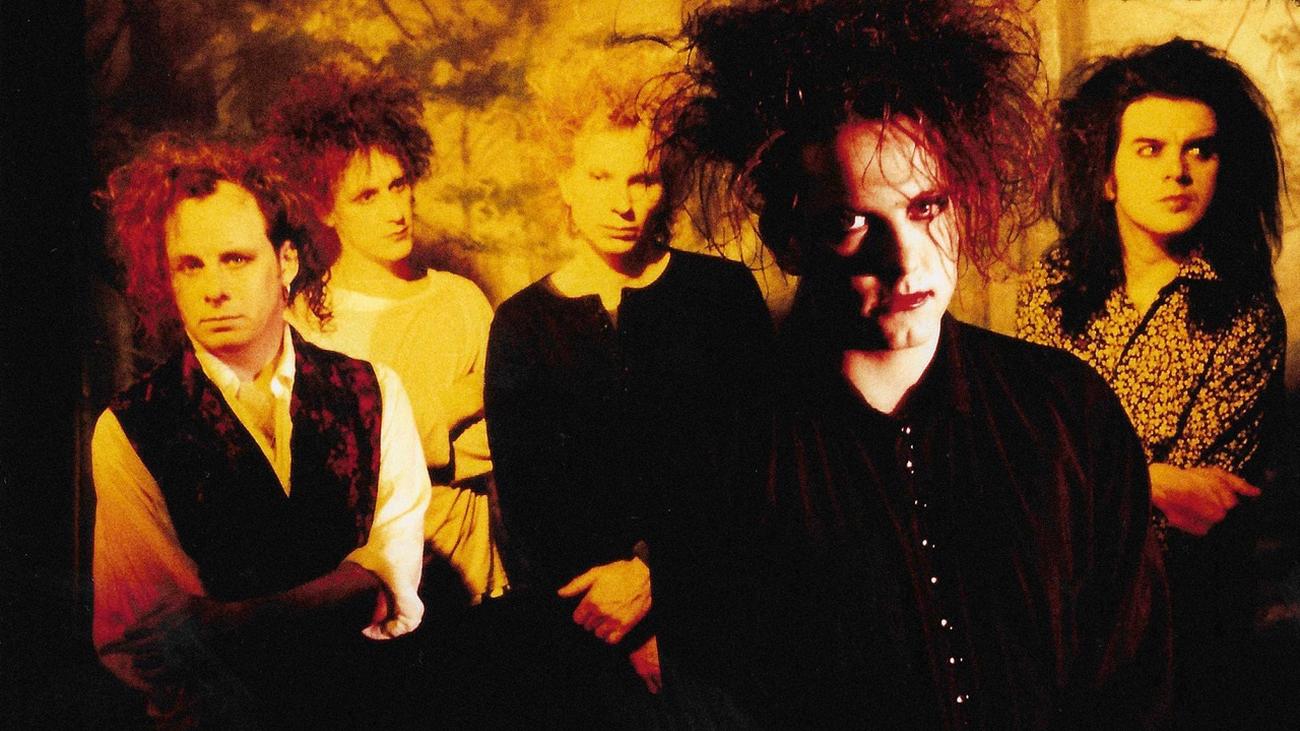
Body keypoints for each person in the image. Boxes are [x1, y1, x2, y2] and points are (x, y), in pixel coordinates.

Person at [662, 0, 1172, 726]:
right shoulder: (726, 451)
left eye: (927, 207)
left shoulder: (1071, 413)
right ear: (789, 238)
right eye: (851, 220)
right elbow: (716, 700)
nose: (905, 260)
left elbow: (1135, 683)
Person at [91, 134, 431, 726]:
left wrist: (233, 620)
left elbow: (391, 577)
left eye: (236, 259)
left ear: (287, 262)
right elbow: (158, 643)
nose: (213, 288)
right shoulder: (131, 427)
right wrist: (334, 595)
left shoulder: (373, 391)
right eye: (190, 265)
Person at [483, 39, 773, 725]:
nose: (622, 203)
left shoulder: (722, 295)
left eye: (641, 179)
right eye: (598, 177)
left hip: (723, 633)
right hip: (587, 647)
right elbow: (528, 513)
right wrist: (623, 628)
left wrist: (661, 586)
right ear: (563, 180)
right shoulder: (521, 325)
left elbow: (762, 470)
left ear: (665, 182)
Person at [1016, 39, 1287, 727]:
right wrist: (1157, 479)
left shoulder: (1244, 314)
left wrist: (1073, 479)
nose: (1178, 171)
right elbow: (1019, 468)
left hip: (1177, 634)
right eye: (1150, 149)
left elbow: (1198, 517)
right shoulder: (1051, 287)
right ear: (1106, 175)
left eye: (1200, 149)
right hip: (1041, 621)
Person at [265, 65, 507, 606]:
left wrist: (388, 436)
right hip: (365, 607)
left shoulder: (463, 301)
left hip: (475, 597)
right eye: (367, 196)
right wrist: (451, 408)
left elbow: (509, 439)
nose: (395, 211)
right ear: (326, 208)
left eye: (399, 185)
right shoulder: (304, 322)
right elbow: (326, 477)